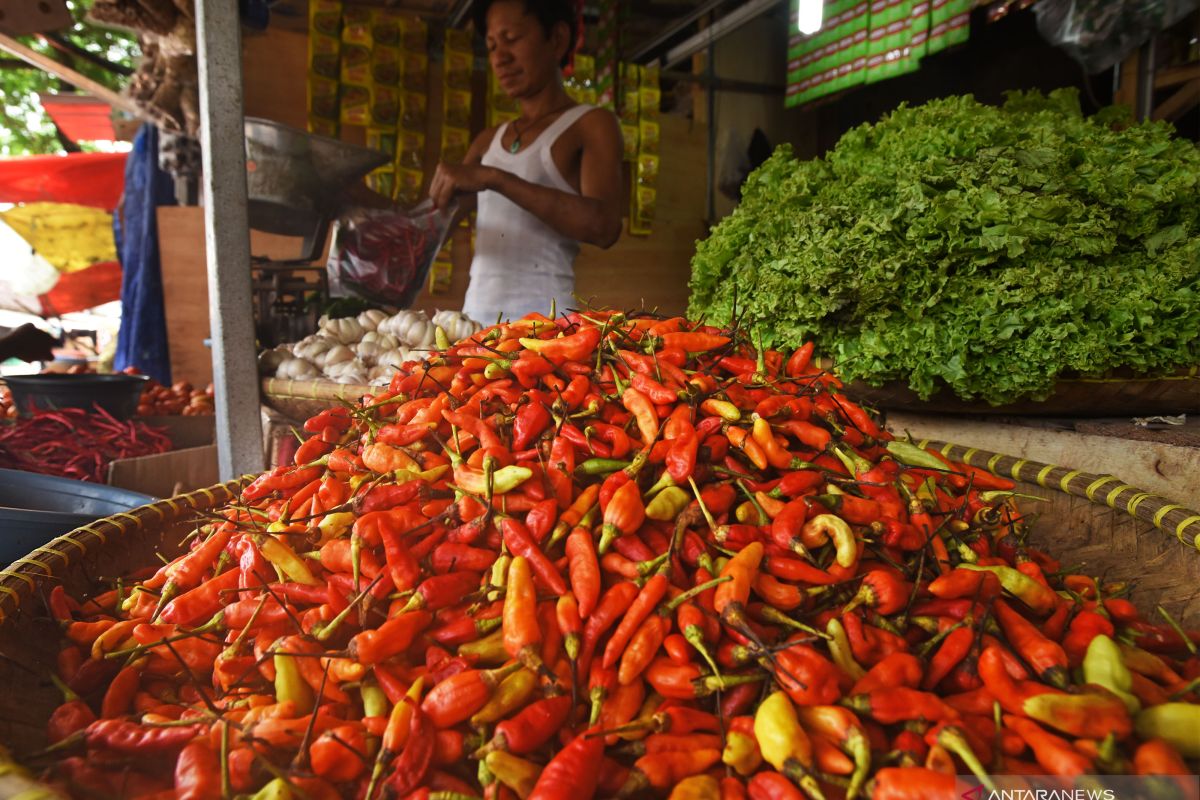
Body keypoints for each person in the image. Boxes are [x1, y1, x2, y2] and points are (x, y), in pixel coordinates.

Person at [429, 0, 624, 324]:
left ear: (557, 39)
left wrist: (497, 178)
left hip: (547, 333)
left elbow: (604, 227)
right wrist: (352, 197)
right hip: (475, 328)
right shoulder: (487, 141)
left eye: (512, 38)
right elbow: (430, 227)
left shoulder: (591, 123)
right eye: (492, 46)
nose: (500, 58)